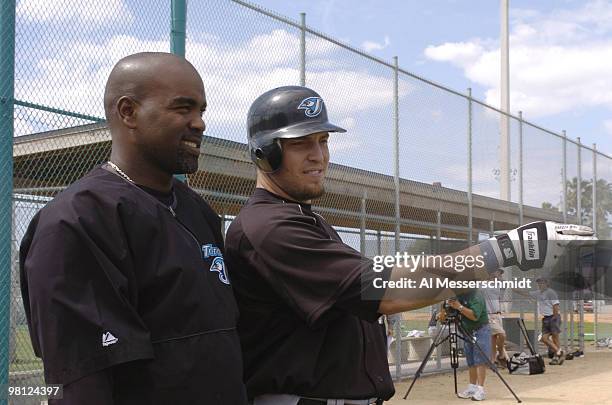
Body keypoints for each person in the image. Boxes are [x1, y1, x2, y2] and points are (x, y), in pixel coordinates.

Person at [224, 85, 595, 404]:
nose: (318, 155)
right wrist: (504, 250)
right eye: (300, 144)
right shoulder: (268, 227)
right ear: (265, 153)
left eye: (322, 141)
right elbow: (388, 291)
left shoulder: (303, 219)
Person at [19, 52, 247, 404]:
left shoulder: (195, 209)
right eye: (182, 108)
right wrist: (370, 277)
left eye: (201, 110)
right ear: (129, 112)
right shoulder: (77, 220)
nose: (199, 123)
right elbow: (82, 382)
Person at [438, 293, 490, 401]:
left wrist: (459, 307)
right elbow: (443, 319)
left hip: (480, 330)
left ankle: (480, 390)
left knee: (479, 361)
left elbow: (475, 316)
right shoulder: (458, 296)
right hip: (467, 331)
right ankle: (472, 388)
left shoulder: (476, 295)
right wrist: (443, 308)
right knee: (471, 361)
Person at [531, 278, 564, 365]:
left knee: (555, 337)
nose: (540, 284)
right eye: (539, 283)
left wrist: (555, 317)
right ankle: (559, 351)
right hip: (545, 318)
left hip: (553, 317)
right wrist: (510, 287)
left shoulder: (551, 292)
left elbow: (556, 305)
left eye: (542, 282)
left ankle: (556, 357)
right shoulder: (538, 293)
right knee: (544, 338)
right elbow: (524, 293)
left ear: (546, 283)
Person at [483, 270, 509, 367]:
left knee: (493, 338)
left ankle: (493, 360)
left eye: (500, 273)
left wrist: (497, 277)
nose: (498, 275)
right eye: (496, 272)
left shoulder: (498, 285)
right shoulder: (483, 285)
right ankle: (501, 354)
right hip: (489, 315)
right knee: (502, 334)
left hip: (498, 314)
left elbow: (504, 283)